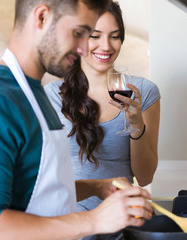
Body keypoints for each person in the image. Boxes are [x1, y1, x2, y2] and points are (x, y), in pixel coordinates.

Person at [0, 0, 153, 239]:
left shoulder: (34, 93)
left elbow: (38, 193)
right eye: (79, 33)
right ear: (42, 17)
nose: (84, 49)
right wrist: (93, 220)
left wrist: (96, 187)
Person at [44, 2, 160, 238]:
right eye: (95, 36)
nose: (106, 46)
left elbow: (146, 176)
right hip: (72, 222)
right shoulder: (53, 96)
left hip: (123, 221)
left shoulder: (144, 92)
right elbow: (46, 177)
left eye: (115, 37)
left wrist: (136, 123)